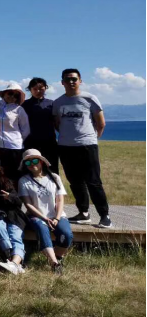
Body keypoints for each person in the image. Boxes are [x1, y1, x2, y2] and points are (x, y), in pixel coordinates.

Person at [53, 68, 111, 228]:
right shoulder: (57, 102)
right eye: (67, 79)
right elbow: (57, 124)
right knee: (75, 182)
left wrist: (92, 138)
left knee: (94, 182)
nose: (71, 82)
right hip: (65, 147)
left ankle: (104, 215)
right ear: (62, 82)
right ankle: (84, 213)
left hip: (87, 146)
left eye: (74, 79)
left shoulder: (89, 98)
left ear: (80, 81)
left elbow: (101, 123)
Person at [18, 149, 74, 274]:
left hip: (56, 215)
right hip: (36, 216)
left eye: (35, 161)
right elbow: (28, 204)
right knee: (42, 228)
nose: (32, 164)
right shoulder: (24, 181)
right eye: (28, 162)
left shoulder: (54, 177)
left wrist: (57, 218)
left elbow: (60, 200)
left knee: (67, 235)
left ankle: (58, 256)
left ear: (41, 162)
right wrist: (44, 218)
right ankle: (54, 264)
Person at [0, 82, 30, 183]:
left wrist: (18, 139)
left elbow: (26, 129)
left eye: (16, 95)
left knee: (15, 173)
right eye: (10, 93)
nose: (12, 97)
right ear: (4, 93)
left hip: (15, 146)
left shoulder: (19, 109)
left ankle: (15, 192)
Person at [22, 77, 59, 174]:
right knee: (32, 169)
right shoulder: (24, 105)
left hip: (49, 142)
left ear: (45, 88)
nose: (38, 91)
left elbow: (57, 122)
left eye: (41, 88)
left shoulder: (52, 104)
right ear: (30, 89)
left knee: (52, 168)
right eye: (35, 89)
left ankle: (55, 184)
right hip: (30, 142)